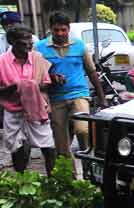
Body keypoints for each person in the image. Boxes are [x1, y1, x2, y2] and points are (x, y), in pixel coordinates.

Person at [36, 12, 106, 160]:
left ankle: (88, 167)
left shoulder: (79, 46)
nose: (60, 33)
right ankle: (70, 178)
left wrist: (102, 98)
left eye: (63, 29)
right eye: (56, 30)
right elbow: (36, 76)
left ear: (68, 29)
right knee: (61, 144)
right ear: (51, 29)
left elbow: (92, 72)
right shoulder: (40, 48)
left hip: (79, 94)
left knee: (83, 130)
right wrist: (51, 78)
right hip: (55, 99)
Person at [0, 25, 56, 173]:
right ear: (12, 41)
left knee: (48, 146)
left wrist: (32, 86)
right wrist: (15, 87)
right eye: (24, 40)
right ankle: (21, 181)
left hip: (37, 111)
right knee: (17, 149)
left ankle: (55, 182)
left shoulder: (37, 58)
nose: (29, 44)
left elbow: (45, 85)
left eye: (30, 40)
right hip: (13, 113)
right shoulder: (2, 62)